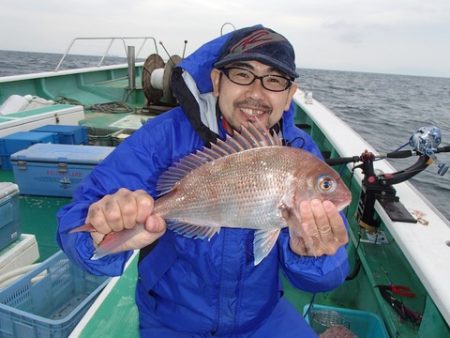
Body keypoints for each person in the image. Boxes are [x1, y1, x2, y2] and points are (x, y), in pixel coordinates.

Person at [57, 25, 349, 337]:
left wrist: (311, 255)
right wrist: (99, 235)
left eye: (274, 80)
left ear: (289, 96)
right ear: (216, 81)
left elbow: (327, 277)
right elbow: (76, 220)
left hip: (262, 318)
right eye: (242, 74)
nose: (256, 92)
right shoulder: (163, 137)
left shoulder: (301, 153)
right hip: (171, 320)